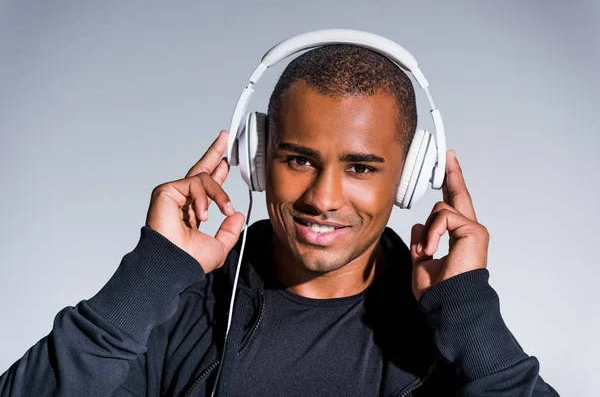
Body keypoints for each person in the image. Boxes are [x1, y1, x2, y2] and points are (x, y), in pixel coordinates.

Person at [0, 44, 558, 396]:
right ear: (258, 156)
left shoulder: (448, 332)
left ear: (412, 177)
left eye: (360, 167)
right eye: (299, 159)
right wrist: (148, 275)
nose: (323, 197)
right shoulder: (177, 309)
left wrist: (471, 319)